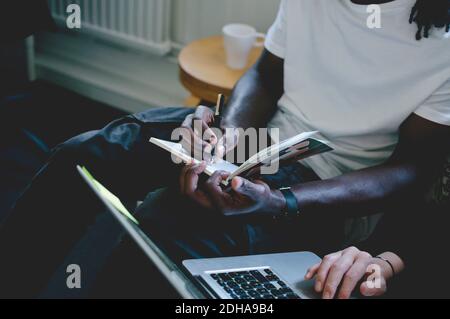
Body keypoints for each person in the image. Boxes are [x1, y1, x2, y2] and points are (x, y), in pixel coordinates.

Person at [0, 0, 449, 298]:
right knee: (84, 156)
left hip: (326, 185)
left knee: (167, 229)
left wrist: (279, 201)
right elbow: (265, 75)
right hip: (259, 139)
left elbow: (413, 168)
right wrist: (228, 138)